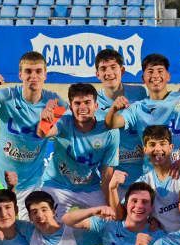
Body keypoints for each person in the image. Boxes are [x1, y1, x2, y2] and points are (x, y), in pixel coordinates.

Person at [0, 51, 65, 217]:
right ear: (20, 75)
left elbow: (70, 130)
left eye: (38, 71)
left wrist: (50, 122)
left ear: (45, 75)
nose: (33, 76)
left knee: (32, 239)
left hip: (31, 185)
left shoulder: (56, 103)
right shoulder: (6, 97)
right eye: (28, 71)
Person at [104, 53, 180, 183]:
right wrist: (113, 109)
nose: (155, 76)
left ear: (168, 76)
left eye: (160, 71)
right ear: (143, 78)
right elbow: (111, 124)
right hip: (152, 179)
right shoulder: (137, 108)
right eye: (150, 71)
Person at [38, 82, 119, 219]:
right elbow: (42, 133)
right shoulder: (64, 121)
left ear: (96, 105)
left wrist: (110, 205)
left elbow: (107, 174)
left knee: (108, 222)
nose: (82, 107)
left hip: (90, 187)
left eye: (87, 102)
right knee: (48, 224)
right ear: (71, 107)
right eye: (77, 103)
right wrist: (45, 120)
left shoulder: (110, 131)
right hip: (56, 184)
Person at [93, 48, 148, 190]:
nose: (109, 73)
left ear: (122, 70)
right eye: (103, 69)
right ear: (97, 74)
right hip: (112, 176)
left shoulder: (140, 93)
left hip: (141, 174)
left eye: (113, 67)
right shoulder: (92, 101)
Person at [136, 125, 180, 232]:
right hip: (164, 244)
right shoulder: (144, 182)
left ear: (171, 147)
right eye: (152, 144)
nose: (158, 149)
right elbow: (125, 212)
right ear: (145, 150)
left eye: (162, 144)